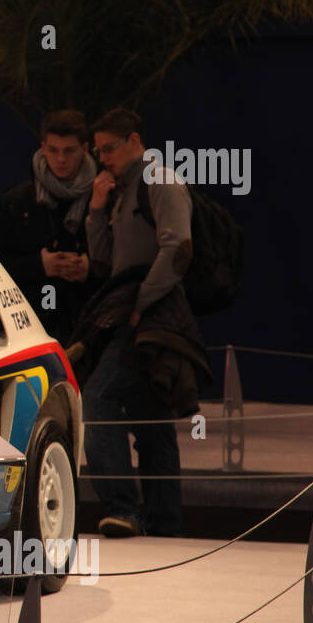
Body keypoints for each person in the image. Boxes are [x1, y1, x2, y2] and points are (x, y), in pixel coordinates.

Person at [74, 108, 210, 538]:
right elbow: (102, 264)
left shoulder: (161, 180)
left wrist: (141, 304)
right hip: (126, 306)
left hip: (155, 312)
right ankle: (165, 522)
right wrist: (96, 210)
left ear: (135, 140)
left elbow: (179, 250)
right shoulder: (119, 189)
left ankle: (123, 508)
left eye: (109, 148)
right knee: (151, 417)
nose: (103, 158)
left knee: (97, 401)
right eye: (98, 152)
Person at [0, 109, 95, 344]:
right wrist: (39, 265)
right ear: (42, 148)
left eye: (69, 151)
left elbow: (129, 261)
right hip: (33, 324)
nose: (61, 159)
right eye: (53, 150)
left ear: (85, 150)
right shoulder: (16, 202)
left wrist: (91, 267)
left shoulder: (104, 196)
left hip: (90, 323)